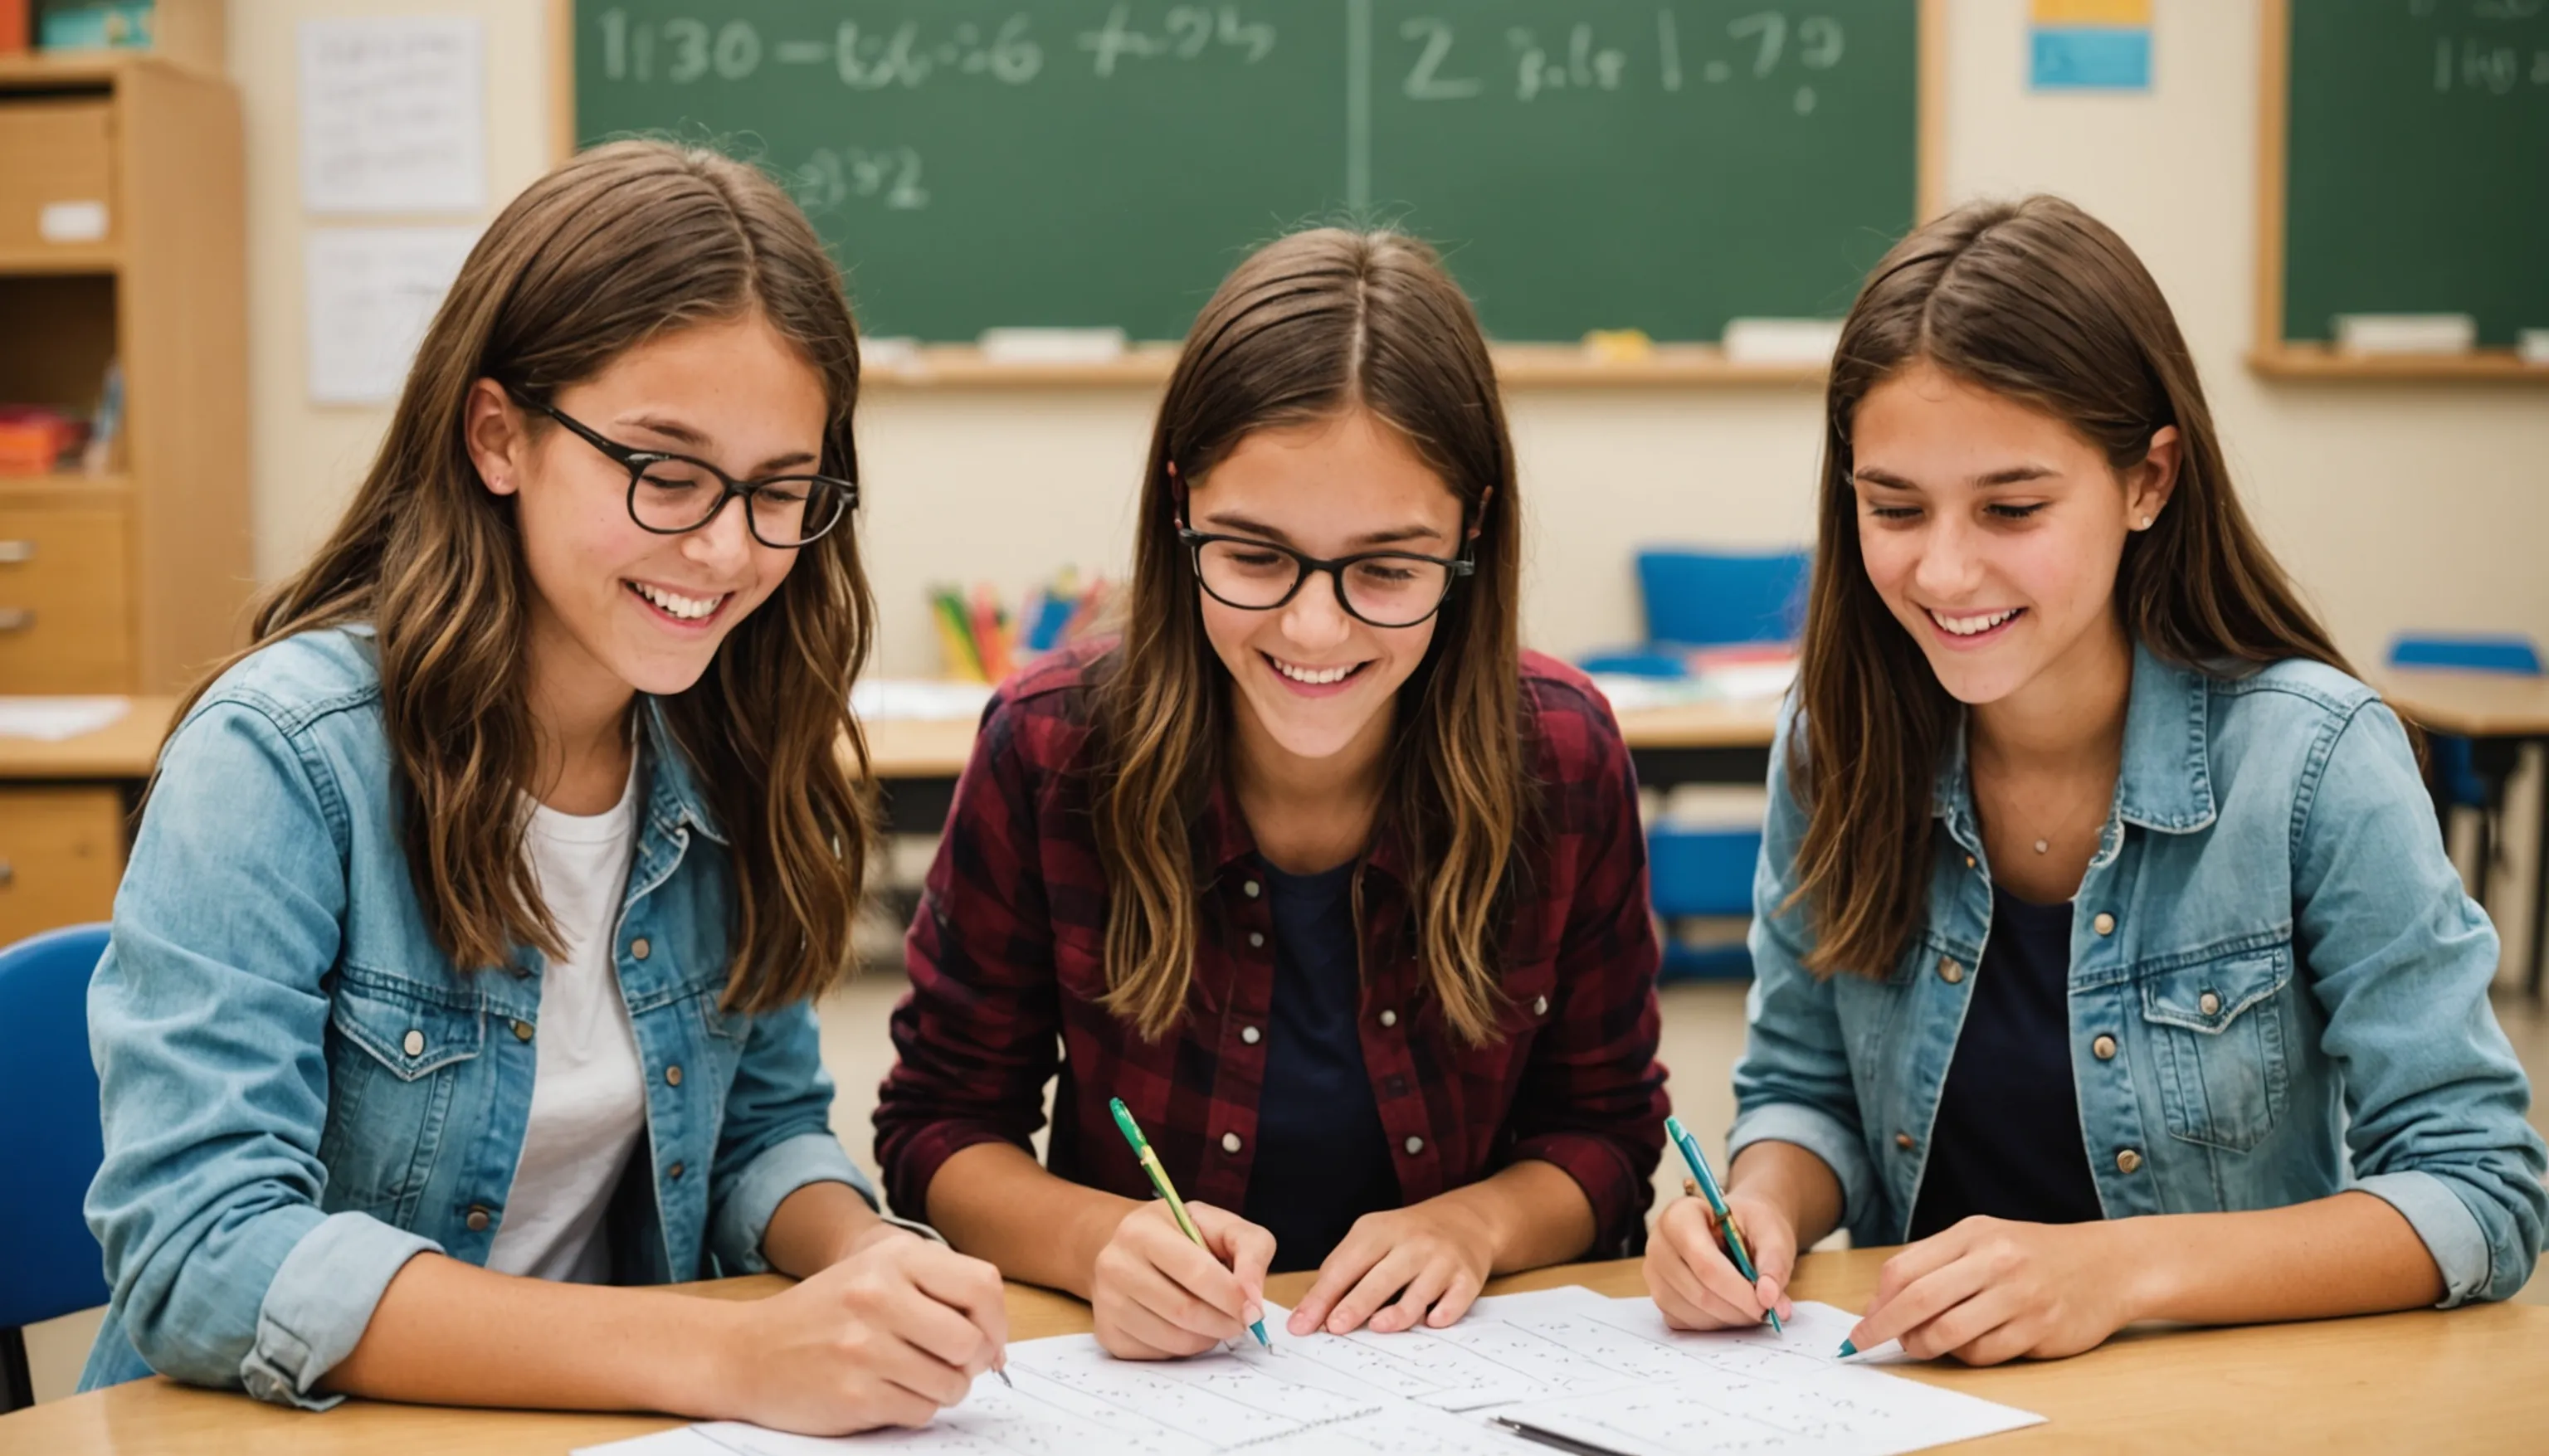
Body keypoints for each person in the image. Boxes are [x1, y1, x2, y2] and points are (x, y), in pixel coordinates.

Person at [80, 141, 1006, 1435]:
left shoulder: (734, 745)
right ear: (499, 434)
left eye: (780, 490)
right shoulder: (282, 760)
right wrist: (714, 1355)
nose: (728, 547)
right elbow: (202, 1251)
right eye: (665, 471)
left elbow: (760, 1130)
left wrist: (860, 1254)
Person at [1644, 195, 2547, 1365]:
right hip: (1914, 1405)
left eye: (2013, 507)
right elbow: (1805, 1092)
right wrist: (1762, 1204)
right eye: (1894, 508)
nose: (1945, 567)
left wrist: (2119, 1268)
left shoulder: (2311, 760)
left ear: (2149, 480)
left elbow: (2482, 1188)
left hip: (2229, 1411)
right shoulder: (1838, 739)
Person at [875, 227, 1669, 1359]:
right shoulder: (1050, 749)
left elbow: (1606, 1130)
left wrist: (1477, 1222)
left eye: (1387, 569)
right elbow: (937, 1126)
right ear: (1179, 505)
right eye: (1252, 557)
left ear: (1471, 534)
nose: (1313, 627)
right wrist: (1101, 1239)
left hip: (1453, 1385)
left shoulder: (1560, 754)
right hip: (1153, 1390)